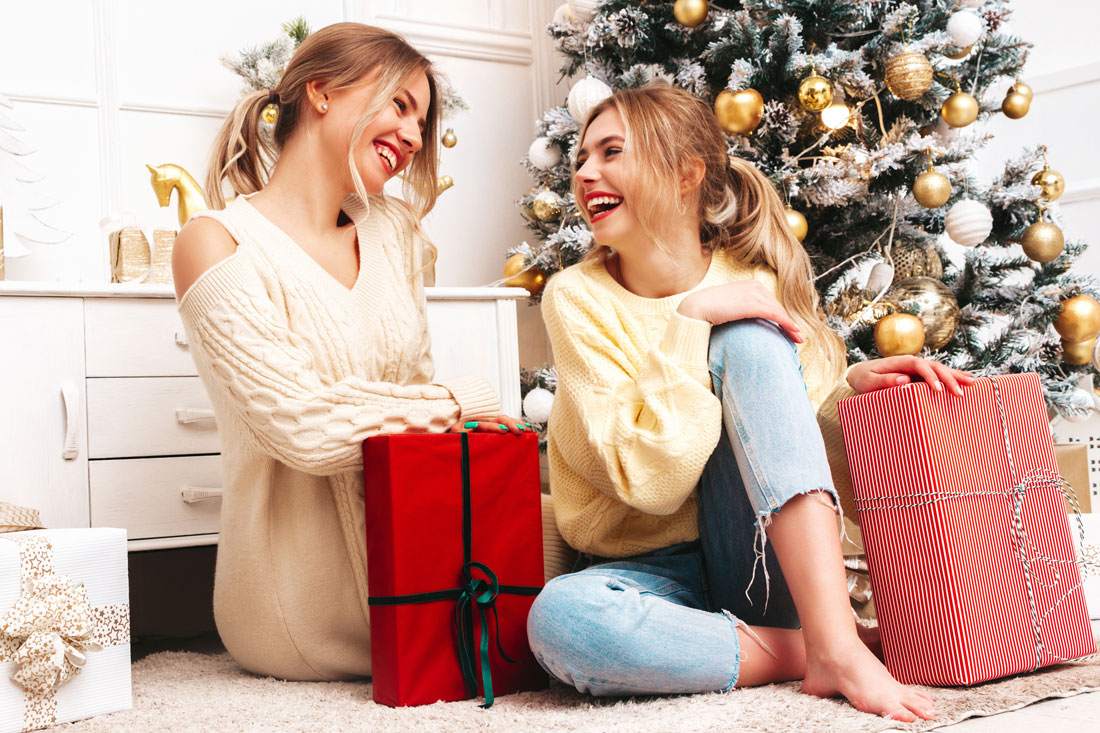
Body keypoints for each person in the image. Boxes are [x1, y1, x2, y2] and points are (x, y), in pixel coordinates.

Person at [527, 83, 972, 721]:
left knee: (749, 337)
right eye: (580, 159)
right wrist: (689, 323)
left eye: (611, 152)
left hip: (760, 560)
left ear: (685, 174)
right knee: (567, 623)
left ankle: (832, 642)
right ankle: (822, 647)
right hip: (646, 570)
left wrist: (853, 392)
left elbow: (793, 452)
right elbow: (645, 480)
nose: (586, 173)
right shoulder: (577, 296)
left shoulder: (754, 284)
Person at [171, 23, 532, 681]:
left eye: (422, 122)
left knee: (582, 519)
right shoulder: (215, 241)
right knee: (562, 591)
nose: (415, 137)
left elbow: (409, 410)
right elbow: (304, 427)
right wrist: (457, 402)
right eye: (400, 105)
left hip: (412, 550)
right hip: (298, 607)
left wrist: (443, 418)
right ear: (321, 91)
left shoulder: (394, 230)